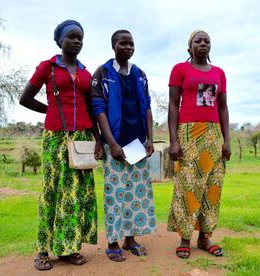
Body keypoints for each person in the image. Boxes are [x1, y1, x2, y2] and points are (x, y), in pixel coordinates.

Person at [19, 20, 103, 271]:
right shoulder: (48, 67)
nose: (77, 41)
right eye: (72, 37)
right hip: (56, 137)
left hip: (83, 139)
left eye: (80, 38)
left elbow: (90, 108)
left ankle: (70, 247)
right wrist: (52, 111)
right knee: (52, 191)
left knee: (77, 195)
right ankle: (43, 250)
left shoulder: (86, 73)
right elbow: (25, 98)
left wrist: (98, 140)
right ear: (60, 41)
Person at [91, 30, 156, 262]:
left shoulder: (140, 74)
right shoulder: (102, 74)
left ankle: (130, 239)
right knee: (115, 195)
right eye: (123, 43)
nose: (128, 47)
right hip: (115, 145)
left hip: (137, 144)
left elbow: (147, 107)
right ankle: (112, 242)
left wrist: (150, 138)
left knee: (135, 195)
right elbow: (98, 110)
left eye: (131, 43)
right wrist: (111, 143)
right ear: (113, 45)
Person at [167, 30, 231, 259]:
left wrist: (227, 141)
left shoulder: (219, 73)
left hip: (214, 135)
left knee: (213, 187)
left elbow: (223, 108)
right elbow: (173, 105)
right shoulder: (180, 70)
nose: (203, 43)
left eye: (207, 41)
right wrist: (174, 140)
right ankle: (185, 238)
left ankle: (205, 237)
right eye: (198, 41)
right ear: (189, 48)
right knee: (188, 185)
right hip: (188, 133)